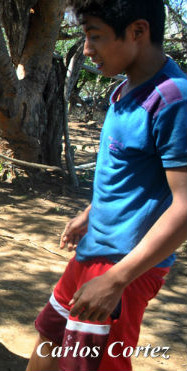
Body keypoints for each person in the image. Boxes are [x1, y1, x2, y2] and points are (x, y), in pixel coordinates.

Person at [26, 1, 187, 370]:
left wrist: (117, 280)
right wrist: (91, 212)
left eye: (94, 36)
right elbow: (130, 175)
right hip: (93, 252)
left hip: (124, 267)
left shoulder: (173, 101)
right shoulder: (123, 90)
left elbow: (185, 205)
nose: (86, 49)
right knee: (50, 336)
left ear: (138, 32)